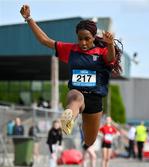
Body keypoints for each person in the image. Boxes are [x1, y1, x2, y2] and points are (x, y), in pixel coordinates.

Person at [20, 5, 123, 150]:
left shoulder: (102, 52)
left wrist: (110, 44)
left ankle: (75, 120)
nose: (83, 43)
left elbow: (110, 57)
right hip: (77, 91)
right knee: (76, 99)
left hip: (95, 98)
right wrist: (29, 18)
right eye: (80, 39)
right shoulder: (71, 49)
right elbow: (45, 40)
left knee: (89, 141)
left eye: (87, 39)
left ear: (94, 37)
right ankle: (69, 118)